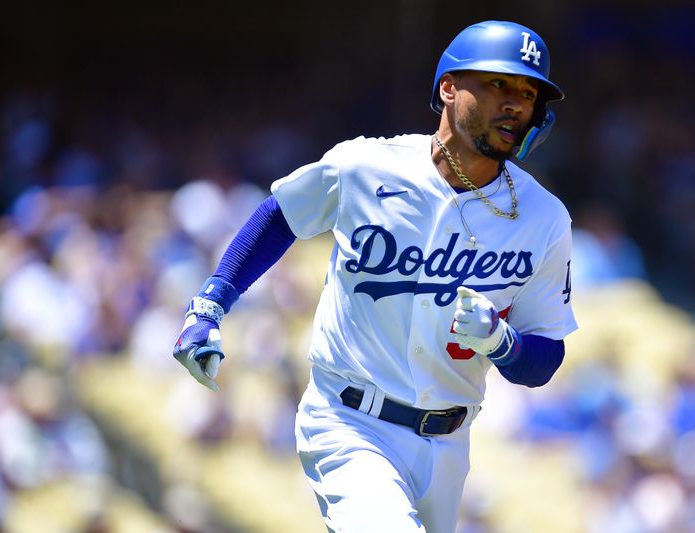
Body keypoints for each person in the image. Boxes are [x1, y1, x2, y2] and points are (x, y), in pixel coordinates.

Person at [173, 20, 577, 532]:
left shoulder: (544, 218)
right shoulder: (368, 166)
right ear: (448, 88)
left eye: (528, 92)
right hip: (349, 422)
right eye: (499, 84)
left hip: (449, 443)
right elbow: (282, 215)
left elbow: (543, 360)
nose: (516, 103)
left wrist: (501, 342)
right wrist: (210, 303)